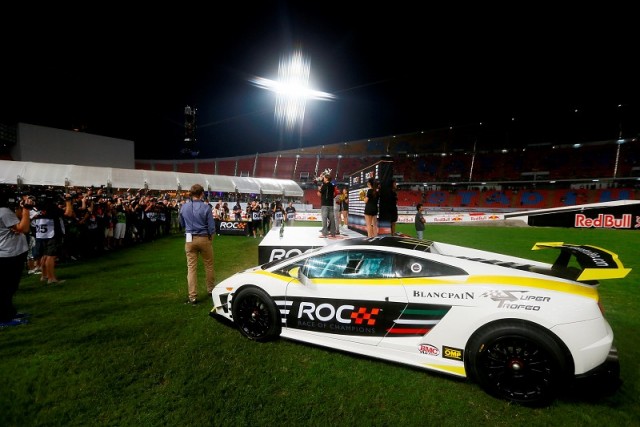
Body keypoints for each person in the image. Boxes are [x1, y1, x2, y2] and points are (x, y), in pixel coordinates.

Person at [178, 184, 216, 305]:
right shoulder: (206, 207)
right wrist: (210, 238)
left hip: (190, 239)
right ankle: (210, 290)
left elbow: (181, 223)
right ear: (201, 194)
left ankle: (192, 296)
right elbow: (211, 227)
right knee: (209, 266)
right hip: (204, 238)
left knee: (191, 268)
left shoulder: (184, 207)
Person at [0, 189, 32, 325]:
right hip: (9, 253)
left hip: (6, 252)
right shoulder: (3, 211)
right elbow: (23, 228)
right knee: (7, 287)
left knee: (8, 287)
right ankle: (4, 318)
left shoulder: (4, 212)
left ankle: (10, 313)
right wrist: (26, 209)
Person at [317, 173, 337, 237]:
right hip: (331, 204)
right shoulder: (332, 186)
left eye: (324, 178)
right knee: (332, 219)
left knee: (324, 219)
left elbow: (319, 194)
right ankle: (333, 233)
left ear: (326, 179)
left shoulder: (324, 185)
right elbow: (334, 194)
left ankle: (324, 233)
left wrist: (318, 190)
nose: (324, 179)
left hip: (325, 204)